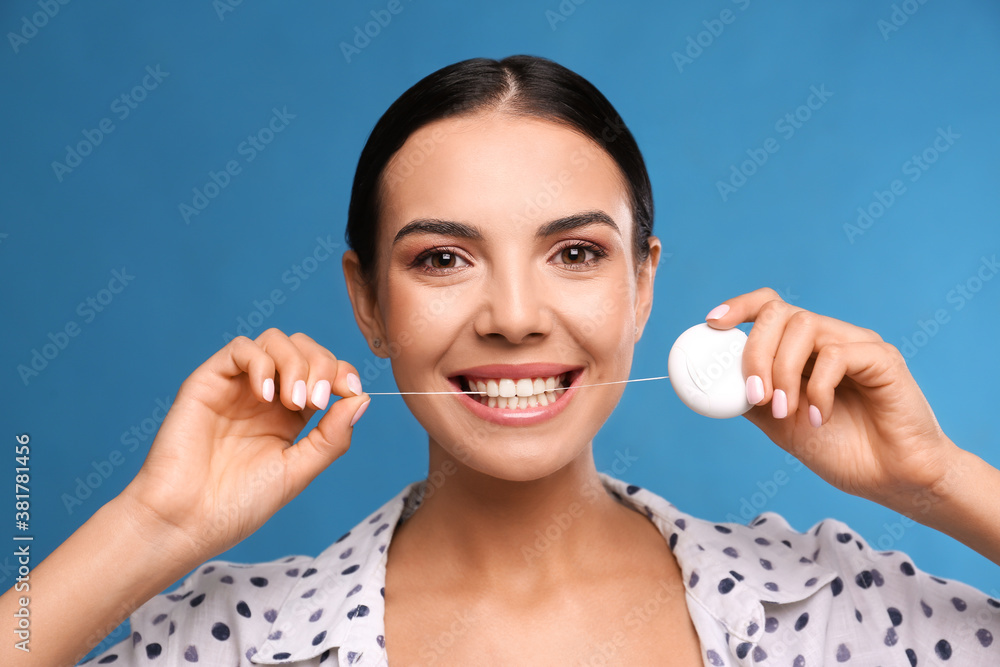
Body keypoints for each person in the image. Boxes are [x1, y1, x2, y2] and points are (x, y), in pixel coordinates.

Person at [5, 54, 999, 667]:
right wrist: (153, 525)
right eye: (442, 258)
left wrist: (938, 480)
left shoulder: (824, 610)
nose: (515, 317)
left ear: (642, 285)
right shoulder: (246, 640)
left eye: (574, 254)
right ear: (366, 300)